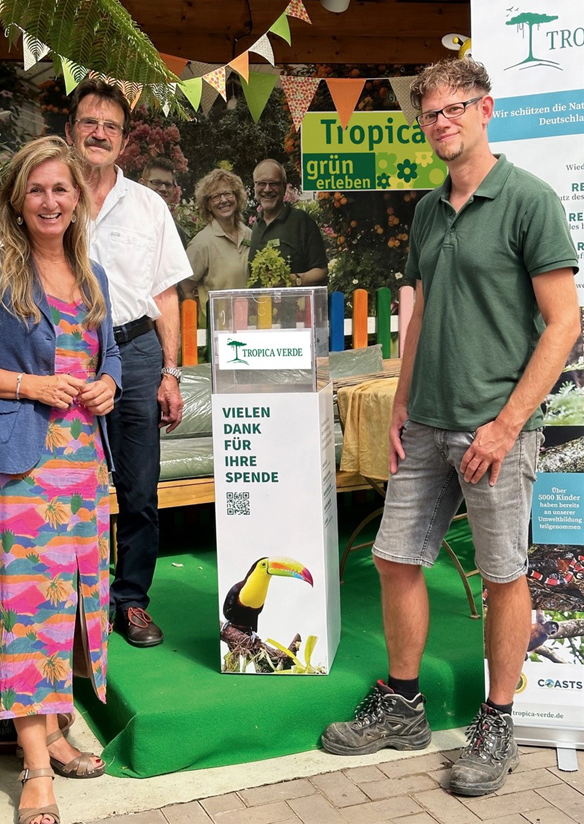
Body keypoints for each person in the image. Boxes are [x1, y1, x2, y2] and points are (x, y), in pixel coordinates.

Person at [321, 58, 580, 797]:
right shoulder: (430, 209)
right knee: (395, 559)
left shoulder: (528, 199)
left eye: (453, 108)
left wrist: (505, 425)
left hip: (492, 427)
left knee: (503, 575)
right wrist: (402, 400)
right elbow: (424, 310)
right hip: (427, 422)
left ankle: (496, 719)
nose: (441, 123)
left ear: (485, 109)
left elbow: (563, 325)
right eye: (429, 114)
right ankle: (402, 703)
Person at [0, 136, 122, 824]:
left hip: (84, 463)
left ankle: (55, 727)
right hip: (21, 462)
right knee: (25, 609)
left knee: (71, 603)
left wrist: (108, 383)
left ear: (78, 198)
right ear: (18, 200)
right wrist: (30, 384)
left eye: (61, 189)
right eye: (37, 189)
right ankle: (36, 767)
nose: (50, 201)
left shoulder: (92, 272)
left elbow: (111, 361)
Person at [0, 80, 193, 650]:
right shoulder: (45, 194)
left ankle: (131, 602)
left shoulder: (148, 205)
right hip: (55, 361)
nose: (99, 133)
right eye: (89, 123)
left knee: (139, 487)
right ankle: (65, 609)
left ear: (123, 142)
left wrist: (171, 372)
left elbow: (166, 294)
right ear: (71, 131)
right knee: (63, 489)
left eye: (111, 127)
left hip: (134, 354)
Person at [181, 169, 251, 325]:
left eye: (228, 193)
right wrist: (195, 327)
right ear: (208, 205)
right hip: (218, 328)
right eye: (216, 197)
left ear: (237, 197)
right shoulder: (201, 243)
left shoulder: (250, 235)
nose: (223, 200)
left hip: (251, 324)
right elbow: (185, 287)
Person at [248, 159, 327, 286]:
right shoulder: (256, 225)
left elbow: (321, 271)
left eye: (274, 183)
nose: (267, 189)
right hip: (262, 305)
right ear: (255, 186)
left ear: (284, 187)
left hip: (296, 304)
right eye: (262, 183)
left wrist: (294, 279)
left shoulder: (301, 221)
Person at [139, 156, 189, 249]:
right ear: (142, 184)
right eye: (156, 182)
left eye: (168, 184)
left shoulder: (177, 233)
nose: (163, 189)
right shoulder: (127, 221)